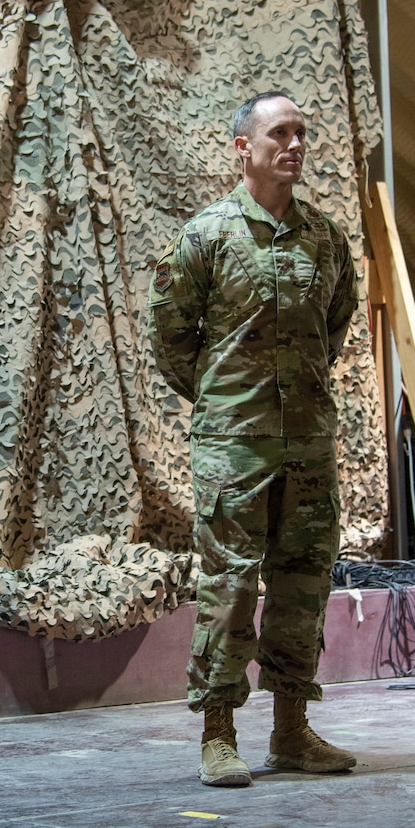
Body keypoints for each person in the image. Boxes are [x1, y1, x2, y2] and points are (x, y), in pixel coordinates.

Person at [148, 92, 363, 787]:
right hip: (233, 447)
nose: (294, 144)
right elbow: (172, 339)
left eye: (302, 132)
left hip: (308, 445)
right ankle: (218, 734)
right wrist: (226, 398)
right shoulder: (206, 235)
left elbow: (334, 323)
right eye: (280, 133)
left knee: (303, 586)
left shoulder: (326, 238)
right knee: (230, 588)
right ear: (244, 146)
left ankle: (292, 731)